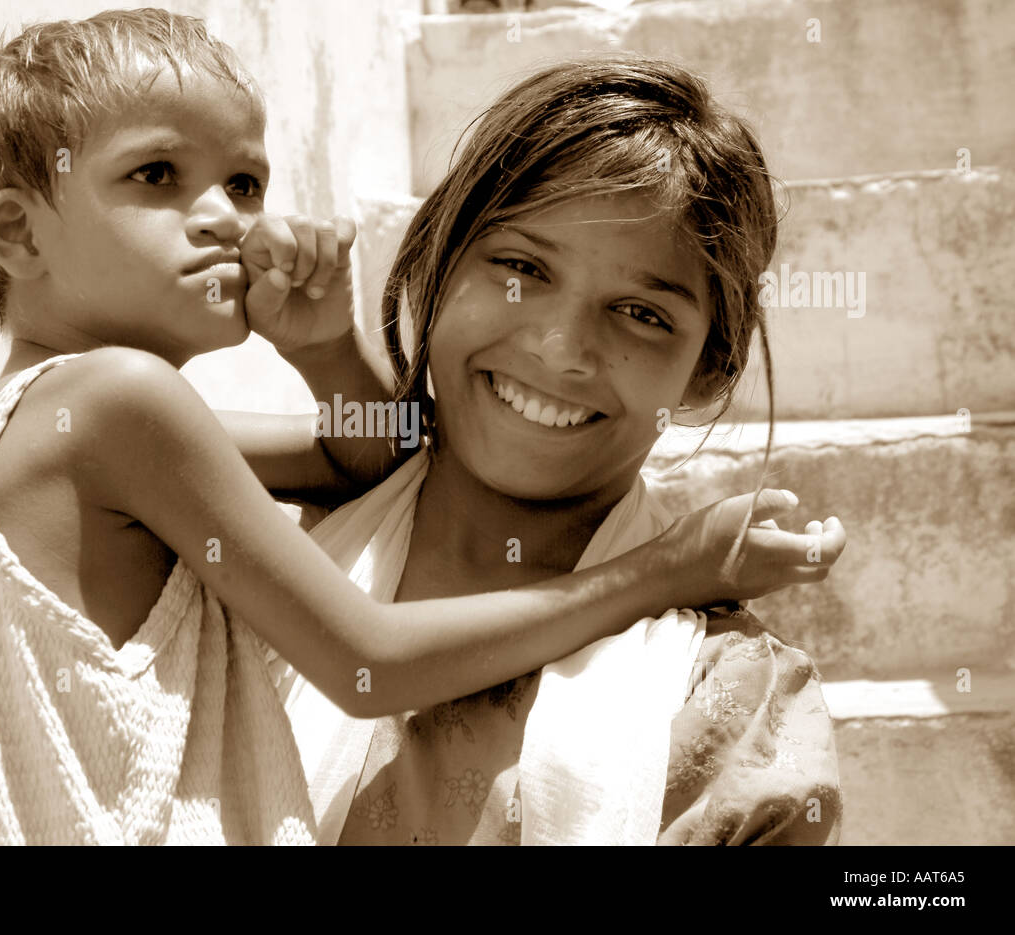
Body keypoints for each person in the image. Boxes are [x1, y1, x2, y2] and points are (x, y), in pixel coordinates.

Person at [281, 55, 846, 845]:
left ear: (708, 366)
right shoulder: (252, 551)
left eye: (642, 313)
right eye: (520, 268)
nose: (559, 349)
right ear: (438, 261)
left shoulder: (730, 703)